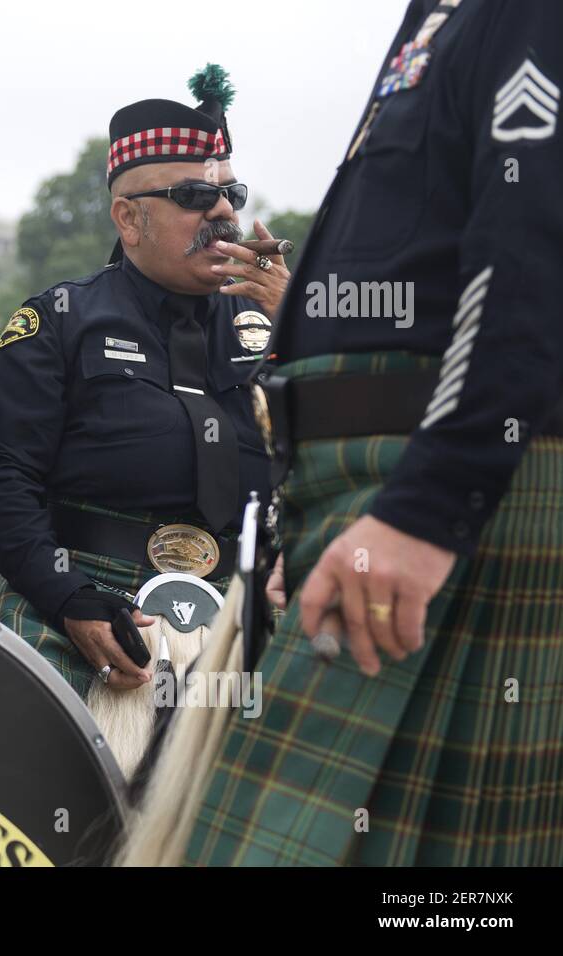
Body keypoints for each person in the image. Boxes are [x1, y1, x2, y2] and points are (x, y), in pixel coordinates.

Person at [187, 0, 563, 865]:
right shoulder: (446, 14)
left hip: (447, 499)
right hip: (375, 496)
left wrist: (428, 511)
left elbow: (529, 247)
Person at [0, 67, 288, 769]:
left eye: (232, 193)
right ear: (128, 218)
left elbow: (335, 470)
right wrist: (70, 600)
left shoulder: (274, 324)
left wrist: (309, 341)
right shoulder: (58, 320)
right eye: (196, 195)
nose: (223, 213)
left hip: (237, 628)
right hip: (83, 613)